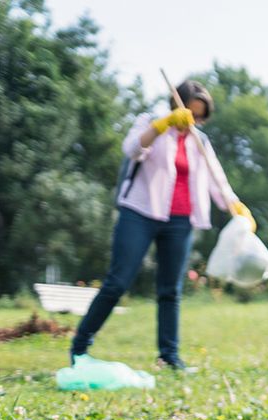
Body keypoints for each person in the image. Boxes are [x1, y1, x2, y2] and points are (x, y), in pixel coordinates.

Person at [69, 80, 254, 369]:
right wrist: (162, 125)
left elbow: (218, 182)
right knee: (117, 282)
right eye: (189, 112)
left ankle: (169, 356)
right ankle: (79, 347)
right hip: (139, 214)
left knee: (170, 291)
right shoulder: (150, 123)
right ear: (175, 105)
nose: (193, 120)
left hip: (180, 221)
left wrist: (238, 209)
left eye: (200, 116)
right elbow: (132, 149)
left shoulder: (200, 141)